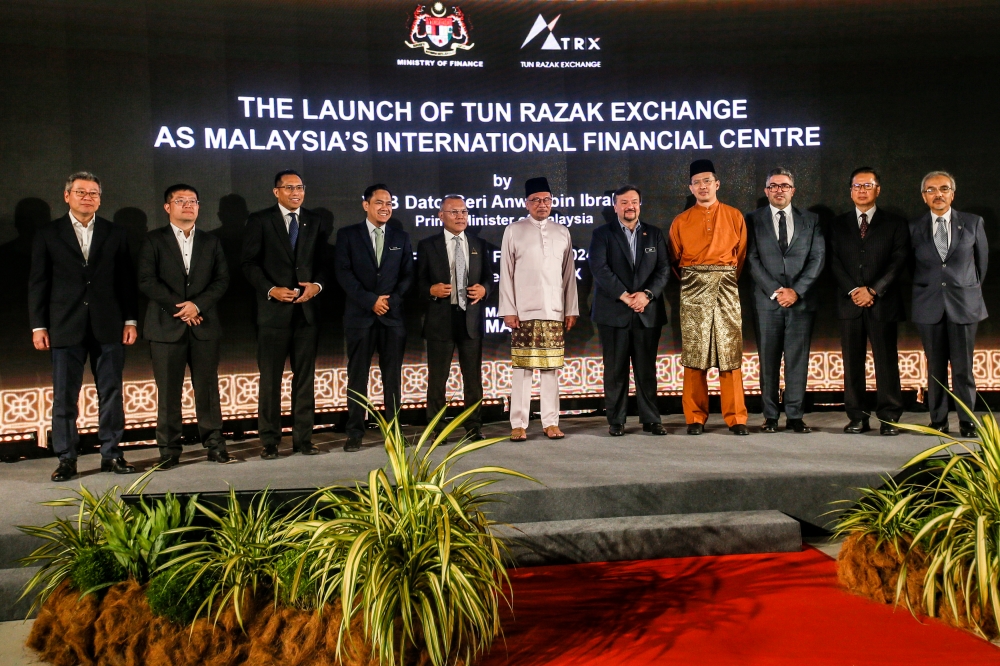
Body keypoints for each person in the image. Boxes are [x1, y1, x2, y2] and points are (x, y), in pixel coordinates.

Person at [28, 172, 138, 481]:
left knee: (112, 392)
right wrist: (39, 326)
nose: (87, 197)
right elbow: (38, 283)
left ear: (100, 199)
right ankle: (66, 458)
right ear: (67, 196)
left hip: (109, 325)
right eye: (81, 192)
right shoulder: (48, 233)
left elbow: (126, 280)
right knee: (64, 395)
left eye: (93, 193)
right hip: (65, 325)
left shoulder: (115, 233)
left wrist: (130, 320)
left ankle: (112, 454)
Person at [138, 184, 232, 468]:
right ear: (168, 207)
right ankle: (169, 450)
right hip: (166, 328)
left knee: (207, 389)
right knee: (168, 392)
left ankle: (215, 445)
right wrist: (181, 308)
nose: (188, 205)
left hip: (204, 325)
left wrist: (197, 305)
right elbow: (146, 280)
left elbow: (222, 280)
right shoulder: (153, 240)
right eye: (181, 201)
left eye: (193, 201)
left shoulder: (210, 241)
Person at [242, 170, 326, 459]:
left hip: (306, 314)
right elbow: (249, 264)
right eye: (289, 187)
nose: (296, 192)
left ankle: (304, 439)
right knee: (270, 380)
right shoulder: (260, 220)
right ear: (275, 191)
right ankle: (269, 440)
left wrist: (316, 286)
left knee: (305, 379)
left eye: (300, 187)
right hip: (272, 314)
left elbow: (324, 262)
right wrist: (270, 290)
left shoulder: (315, 220)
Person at [668, 159, 749, 436]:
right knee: (694, 354)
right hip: (692, 287)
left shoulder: (734, 215)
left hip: (727, 284)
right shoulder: (680, 221)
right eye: (697, 182)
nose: (702, 186)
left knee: (729, 352)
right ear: (690, 188)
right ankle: (694, 416)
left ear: (717, 184)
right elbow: (674, 260)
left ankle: (736, 417)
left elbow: (741, 258)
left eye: (707, 181)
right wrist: (697, 280)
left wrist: (722, 278)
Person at [829, 168, 910, 435]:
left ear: (878, 189)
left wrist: (873, 290)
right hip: (849, 303)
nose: (861, 190)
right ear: (850, 190)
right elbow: (833, 262)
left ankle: (889, 417)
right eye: (856, 186)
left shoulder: (895, 222)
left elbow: (899, 261)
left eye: (867, 185)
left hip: (882, 302)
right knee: (852, 362)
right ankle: (857, 417)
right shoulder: (837, 224)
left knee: (886, 361)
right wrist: (854, 289)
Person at [499, 177, 579, 441]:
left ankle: (550, 422)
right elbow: (506, 273)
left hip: (554, 311)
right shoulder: (514, 230)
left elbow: (569, 275)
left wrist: (570, 309)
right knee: (522, 369)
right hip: (523, 312)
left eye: (546, 200)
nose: (542, 205)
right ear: (526, 203)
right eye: (536, 200)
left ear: (552, 202)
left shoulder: (562, 231)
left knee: (550, 369)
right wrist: (509, 309)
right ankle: (518, 423)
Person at [334, 184, 414, 452]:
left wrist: (390, 301)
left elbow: (407, 276)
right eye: (379, 203)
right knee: (358, 377)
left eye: (389, 203)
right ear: (365, 205)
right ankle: (355, 431)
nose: (385, 208)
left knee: (392, 377)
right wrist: (371, 301)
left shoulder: (401, 237)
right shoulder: (348, 235)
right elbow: (344, 274)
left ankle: (393, 431)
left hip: (393, 318)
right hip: (360, 317)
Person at [745, 168, 825, 434]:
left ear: (793, 190)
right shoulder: (752, 219)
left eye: (785, 185)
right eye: (773, 185)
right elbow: (751, 259)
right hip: (767, 302)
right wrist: (776, 291)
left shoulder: (811, 220)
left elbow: (817, 259)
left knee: (797, 360)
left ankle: (794, 415)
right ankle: (769, 416)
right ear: (766, 190)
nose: (779, 190)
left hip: (800, 302)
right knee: (767, 361)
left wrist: (796, 291)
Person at [588, 185, 670, 436]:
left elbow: (664, 269)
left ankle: (651, 419)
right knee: (615, 370)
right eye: (624, 202)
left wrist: (645, 295)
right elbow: (600, 269)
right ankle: (616, 420)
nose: (629, 206)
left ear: (640, 204)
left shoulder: (654, 234)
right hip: (614, 312)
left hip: (647, 312)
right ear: (615, 207)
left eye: (634, 201)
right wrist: (625, 296)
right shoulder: (602, 234)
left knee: (647, 369)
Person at [910, 171, 987, 437]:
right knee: (935, 367)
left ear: (952, 194)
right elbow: (909, 267)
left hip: (964, 305)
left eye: (944, 189)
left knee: (963, 367)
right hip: (928, 305)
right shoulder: (913, 228)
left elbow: (981, 266)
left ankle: (967, 422)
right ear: (924, 196)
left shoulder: (973, 223)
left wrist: (965, 289)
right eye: (931, 190)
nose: (938, 194)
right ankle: (938, 420)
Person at [416, 195, 494, 440]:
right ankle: (436, 430)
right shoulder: (428, 245)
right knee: (438, 380)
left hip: (470, 321)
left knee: (472, 379)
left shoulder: (479, 244)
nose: (461, 216)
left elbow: (490, 279)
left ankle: (474, 428)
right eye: (454, 212)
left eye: (464, 212)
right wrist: (430, 290)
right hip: (441, 319)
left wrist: (484, 290)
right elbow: (416, 282)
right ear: (441, 216)